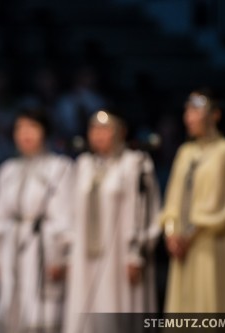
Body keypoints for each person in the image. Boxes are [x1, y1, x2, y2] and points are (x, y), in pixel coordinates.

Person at [63, 110, 161, 333]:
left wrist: (136, 252)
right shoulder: (83, 164)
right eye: (94, 129)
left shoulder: (136, 163)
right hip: (85, 256)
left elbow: (145, 211)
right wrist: (68, 252)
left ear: (121, 132)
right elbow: (71, 212)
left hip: (120, 257)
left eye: (105, 129)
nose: (98, 135)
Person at [0, 107, 73, 333]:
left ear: (44, 131)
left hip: (43, 246)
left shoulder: (60, 167)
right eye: (20, 128)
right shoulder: (7, 171)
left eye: (32, 127)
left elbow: (64, 217)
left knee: (41, 312)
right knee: (9, 307)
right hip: (11, 244)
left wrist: (61, 257)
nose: (25, 134)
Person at [160, 88, 225, 312]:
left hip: (211, 243)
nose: (189, 116)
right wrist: (171, 233)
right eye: (187, 110)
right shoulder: (185, 152)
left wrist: (189, 233)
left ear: (215, 114)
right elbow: (173, 198)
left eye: (195, 109)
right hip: (180, 245)